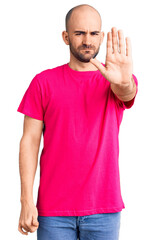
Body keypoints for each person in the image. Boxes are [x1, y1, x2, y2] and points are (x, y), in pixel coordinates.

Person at [17, 3, 138, 240]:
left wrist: (123, 82)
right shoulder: (43, 83)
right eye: (79, 33)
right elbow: (29, 142)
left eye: (93, 33)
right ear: (65, 37)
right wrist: (26, 200)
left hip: (104, 210)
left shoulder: (116, 81)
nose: (87, 41)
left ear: (101, 37)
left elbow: (128, 92)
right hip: (53, 212)